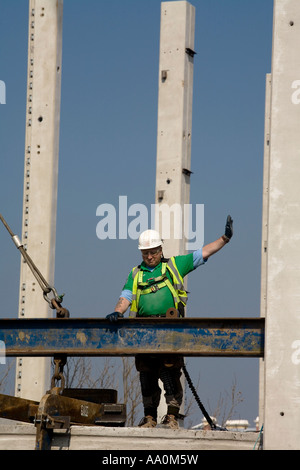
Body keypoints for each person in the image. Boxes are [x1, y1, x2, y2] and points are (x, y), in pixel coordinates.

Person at [106, 215, 233, 429]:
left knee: (170, 372)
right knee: (146, 374)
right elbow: (126, 296)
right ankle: (149, 418)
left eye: (153, 251)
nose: (149, 256)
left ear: (160, 250)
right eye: (145, 252)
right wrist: (117, 312)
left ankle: (172, 416)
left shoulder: (174, 266)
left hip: (170, 331)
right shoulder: (136, 274)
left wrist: (224, 239)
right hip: (143, 332)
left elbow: (202, 253)